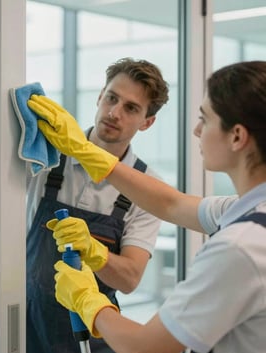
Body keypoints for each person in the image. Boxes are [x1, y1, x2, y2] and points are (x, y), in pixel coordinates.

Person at [28, 60, 266, 353]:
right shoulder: (247, 209)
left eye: (205, 119)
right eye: (112, 98)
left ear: (237, 136)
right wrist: (86, 151)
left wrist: (87, 300)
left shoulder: (240, 247)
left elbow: (148, 347)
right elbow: (172, 203)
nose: (196, 130)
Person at [26, 57, 169, 353]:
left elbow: (130, 279)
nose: (114, 113)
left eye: (131, 108)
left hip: (93, 335)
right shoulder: (46, 157)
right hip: (24, 326)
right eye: (111, 98)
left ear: (147, 121)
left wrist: (94, 250)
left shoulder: (147, 188)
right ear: (100, 96)